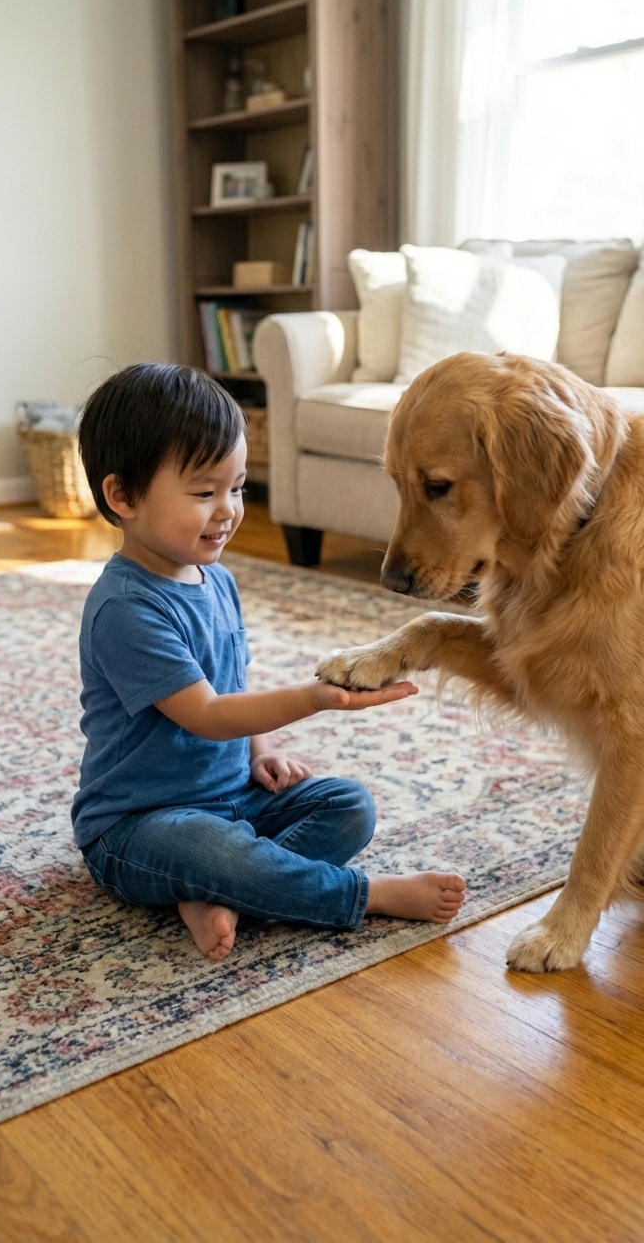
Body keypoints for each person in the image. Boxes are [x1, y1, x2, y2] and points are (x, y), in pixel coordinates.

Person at [73, 362, 465, 961]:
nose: (228, 509)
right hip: (139, 826)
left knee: (348, 806)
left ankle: (218, 891)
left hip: (235, 801)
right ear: (122, 495)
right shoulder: (126, 609)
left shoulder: (218, 581)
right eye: (204, 493)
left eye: (237, 488)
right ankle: (360, 896)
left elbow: (233, 685)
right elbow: (205, 713)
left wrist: (264, 749)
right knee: (209, 849)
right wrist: (313, 698)